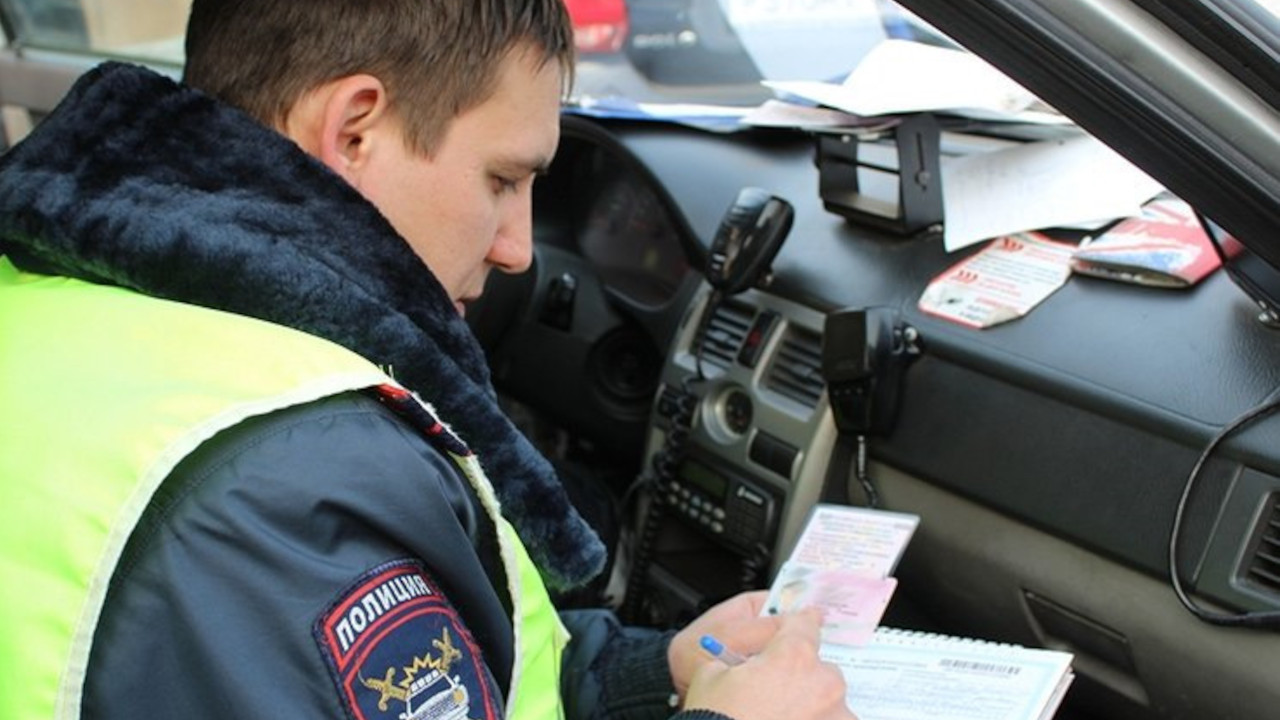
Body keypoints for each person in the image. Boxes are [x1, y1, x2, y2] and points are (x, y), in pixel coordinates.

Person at [0, 2, 855, 719]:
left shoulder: (58, 298)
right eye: (502, 180)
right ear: (354, 131)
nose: (519, 248)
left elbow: (458, 667)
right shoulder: (290, 480)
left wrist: (653, 673)